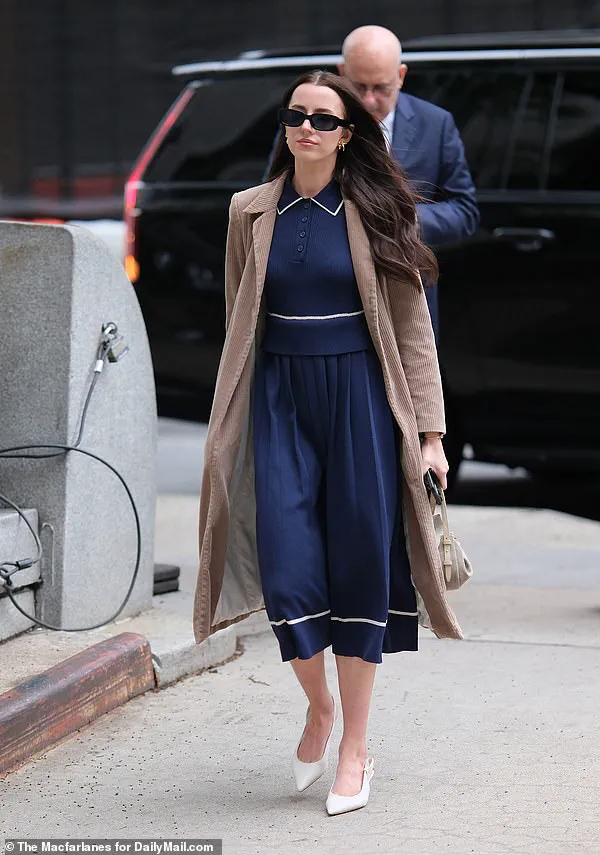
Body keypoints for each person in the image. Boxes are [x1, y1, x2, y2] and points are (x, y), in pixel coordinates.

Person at [193, 70, 463, 817]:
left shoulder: (375, 209)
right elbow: (239, 316)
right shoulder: (249, 210)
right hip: (281, 399)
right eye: (296, 116)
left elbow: (412, 326)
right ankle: (319, 707)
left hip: (360, 401)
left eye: (322, 118)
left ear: (347, 135)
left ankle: (355, 747)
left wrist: (431, 435)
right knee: (286, 572)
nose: (306, 127)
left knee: (359, 565)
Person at [338, 25, 479, 339]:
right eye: (358, 87)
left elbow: (465, 210)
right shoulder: (315, 121)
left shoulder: (436, 123)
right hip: (333, 293)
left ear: (401, 76)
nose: (369, 101)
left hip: (407, 295)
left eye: (381, 88)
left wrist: (405, 219)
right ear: (341, 73)